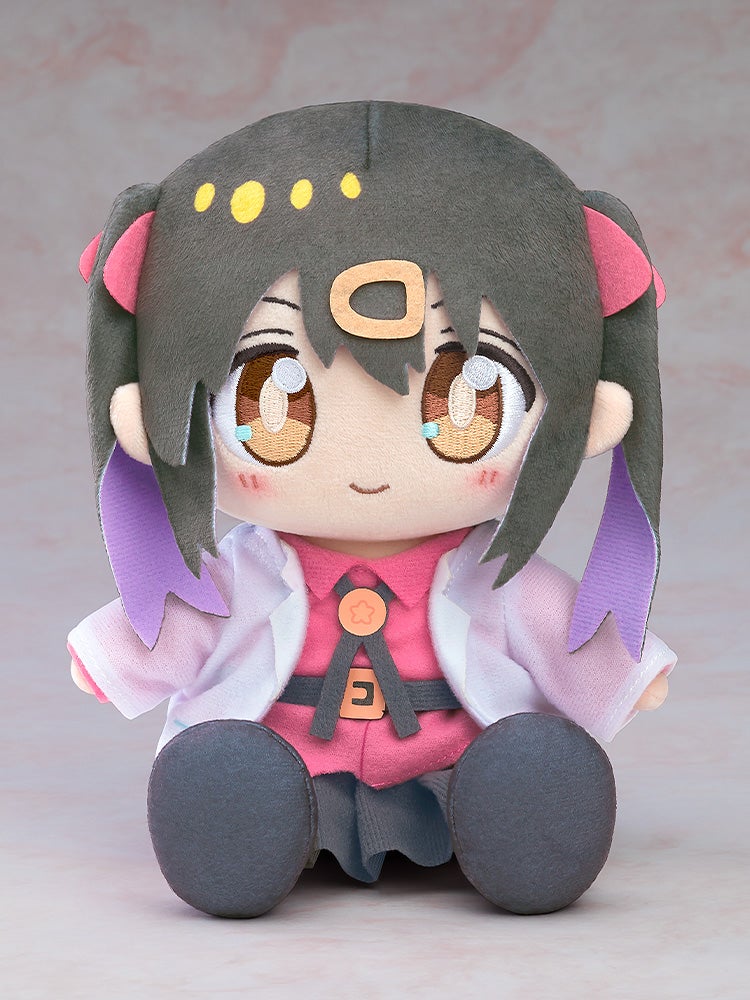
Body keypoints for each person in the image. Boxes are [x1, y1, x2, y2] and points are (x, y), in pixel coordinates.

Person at [69, 101, 676, 918]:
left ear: (586, 409)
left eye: (466, 399)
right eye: (268, 399)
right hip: (288, 770)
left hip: (451, 775)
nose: (367, 468)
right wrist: (114, 655)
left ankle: (522, 819)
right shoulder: (248, 572)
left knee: (529, 767)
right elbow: (184, 617)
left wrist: (623, 672)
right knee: (232, 773)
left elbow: (556, 626)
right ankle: (236, 822)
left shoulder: (491, 576)